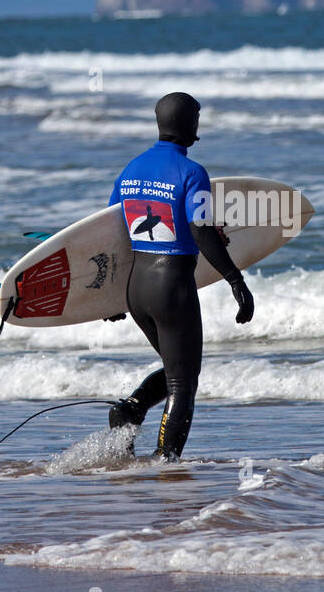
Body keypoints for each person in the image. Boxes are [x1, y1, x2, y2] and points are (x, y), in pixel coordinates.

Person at [105, 92, 254, 459]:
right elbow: (201, 230)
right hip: (172, 288)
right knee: (183, 382)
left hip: (136, 289)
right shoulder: (192, 173)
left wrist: (110, 294)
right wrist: (236, 280)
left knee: (177, 369)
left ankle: (132, 409)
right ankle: (165, 461)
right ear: (189, 123)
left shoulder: (131, 169)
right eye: (197, 117)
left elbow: (111, 232)